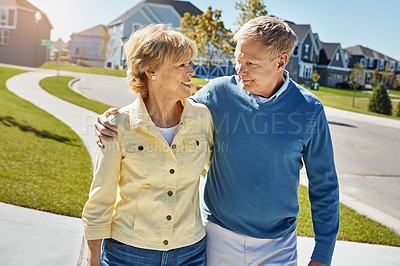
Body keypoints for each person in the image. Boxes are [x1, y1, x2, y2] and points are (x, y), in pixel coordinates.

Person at [95, 16, 339, 266]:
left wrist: (322, 255)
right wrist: (111, 120)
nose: (239, 70)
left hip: (278, 246)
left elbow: (324, 186)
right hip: (217, 237)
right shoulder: (216, 93)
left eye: (251, 63)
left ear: (281, 61)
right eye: (238, 60)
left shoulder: (310, 110)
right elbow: (163, 105)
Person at [82, 24, 214, 266]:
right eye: (181, 64)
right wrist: (92, 259)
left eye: (190, 63)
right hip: (127, 254)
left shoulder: (203, 117)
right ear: (151, 71)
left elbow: (225, 171)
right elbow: (101, 198)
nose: (191, 70)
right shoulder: (118, 125)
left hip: (190, 254)